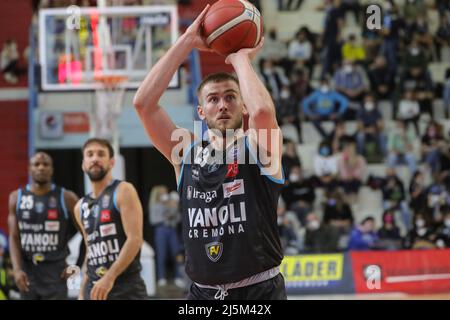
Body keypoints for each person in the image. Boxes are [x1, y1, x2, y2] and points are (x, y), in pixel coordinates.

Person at [134, 5, 287, 300]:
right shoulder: (186, 151)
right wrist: (188, 41)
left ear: (243, 107)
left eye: (231, 97)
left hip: (258, 292)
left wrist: (239, 59)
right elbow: (144, 104)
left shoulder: (258, 147)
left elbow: (264, 111)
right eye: (213, 99)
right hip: (201, 294)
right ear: (202, 112)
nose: (223, 105)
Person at [74, 138, 147, 300]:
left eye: (101, 154)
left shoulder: (124, 190)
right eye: (90, 154)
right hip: (93, 290)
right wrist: (81, 291)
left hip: (126, 288)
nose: (95, 159)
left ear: (111, 162)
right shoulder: (79, 207)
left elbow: (135, 239)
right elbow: (90, 251)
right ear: (83, 164)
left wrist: (109, 277)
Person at [7, 152, 79, 300]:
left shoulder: (67, 198)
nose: (41, 168)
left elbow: (87, 234)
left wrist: (76, 266)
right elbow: (14, 237)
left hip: (56, 273)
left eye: (45, 164)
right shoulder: (16, 197)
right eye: (36, 164)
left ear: (52, 169)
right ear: (29, 169)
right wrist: (17, 269)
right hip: (28, 272)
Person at [148, 186, 184, 288]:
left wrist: (174, 207)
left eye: (166, 192)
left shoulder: (171, 204)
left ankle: (179, 277)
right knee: (161, 254)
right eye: (162, 193)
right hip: (160, 230)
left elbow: (178, 218)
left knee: (176, 253)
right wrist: (166, 217)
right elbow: (153, 220)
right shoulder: (154, 206)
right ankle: (161, 277)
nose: (165, 194)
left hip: (172, 230)